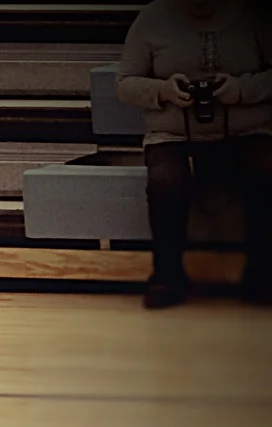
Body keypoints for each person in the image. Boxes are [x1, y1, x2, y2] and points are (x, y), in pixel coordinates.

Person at [116, 0, 272, 309]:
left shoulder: (255, 15)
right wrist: (163, 90)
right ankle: (167, 276)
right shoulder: (152, 17)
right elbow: (124, 83)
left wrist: (241, 89)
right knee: (165, 178)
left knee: (266, 168)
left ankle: (262, 274)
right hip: (174, 136)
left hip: (246, 133)